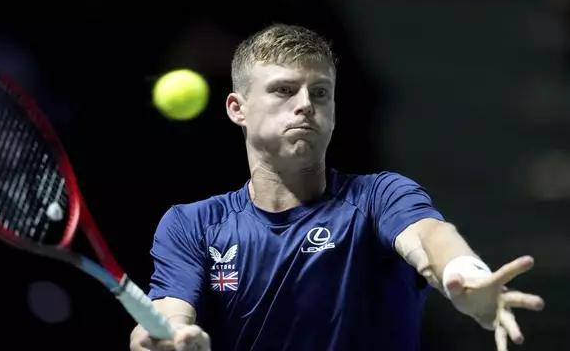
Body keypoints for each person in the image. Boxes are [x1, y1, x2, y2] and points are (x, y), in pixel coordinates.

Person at [130, 24, 545, 351]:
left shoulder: (378, 198)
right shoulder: (193, 224)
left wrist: (462, 274)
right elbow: (168, 315)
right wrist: (165, 339)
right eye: (283, 90)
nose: (306, 104)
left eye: (320, 92)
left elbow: (431, 237)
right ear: (238, 108)